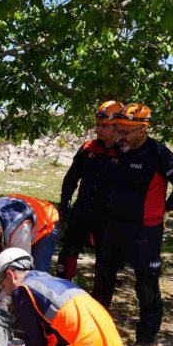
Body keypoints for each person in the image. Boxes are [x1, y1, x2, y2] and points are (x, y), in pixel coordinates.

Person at [91, 103, 173, 346]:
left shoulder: (158, 153)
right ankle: (93, 331)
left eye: (126, 129)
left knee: (146, 285)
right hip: (112, 227)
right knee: (102, 281)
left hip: (145, 231)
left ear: (143, 130)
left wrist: (166, 210)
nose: (121, 134)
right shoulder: (116, 151)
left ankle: (145, 339)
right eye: (119, 128)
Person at [55, 101, 121, 280]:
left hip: (108, 217)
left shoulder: (126, 152)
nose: (99, 130)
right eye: (97, 125)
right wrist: (64, 204)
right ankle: (61, 293)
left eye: (104, 126)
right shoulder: (88, 149)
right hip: (82, 210)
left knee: (106, 263)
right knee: (67, 254)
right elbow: (71, 178)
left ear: (117, 126)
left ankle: (100, 303)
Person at [0, 194, 60, 306]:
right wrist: (2, 284)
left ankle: (35, 311)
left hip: (45, 226)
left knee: (36, 274)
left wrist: (2, 300)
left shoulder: (18, 229)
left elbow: (22, 270)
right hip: (16, 213)